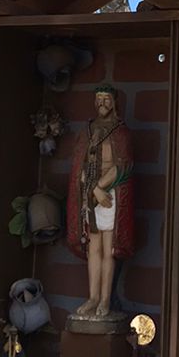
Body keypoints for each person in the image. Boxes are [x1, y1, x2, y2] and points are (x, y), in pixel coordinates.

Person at [66, 86, 134, 321]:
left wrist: (102, 188)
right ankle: (93, 297)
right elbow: (80, 166)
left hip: (110, 195)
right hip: (90, 194)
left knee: (108, 249)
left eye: (107, 99)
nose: (102, 103)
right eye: (99, 99)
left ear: (114, 102)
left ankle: (105, 299)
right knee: (93, 249)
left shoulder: (121, 133)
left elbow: (122, 165)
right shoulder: (87, 131)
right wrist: (93, 189)